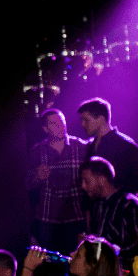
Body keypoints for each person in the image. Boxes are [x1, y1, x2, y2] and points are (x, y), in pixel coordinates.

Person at [26, 108, 88, 256]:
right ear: (45, 128)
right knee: (51, 263)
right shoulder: (37, 151)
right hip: (48, 219)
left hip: (76, 217)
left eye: (61, 121)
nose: (60, 126)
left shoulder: (81, 147)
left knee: (77, 261)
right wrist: (37, 177)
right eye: (54, 123)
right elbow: (27, 184)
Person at [78, 98, 138, 196]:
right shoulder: (90, 146)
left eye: (86, 120)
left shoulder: (126, 145)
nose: (82, 124)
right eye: (82, 120)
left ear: (101, 119)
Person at [80, 157, 138, 256]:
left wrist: (110, 254)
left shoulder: (129, 205)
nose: (82, 186)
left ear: (102, 179)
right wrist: (89, 241)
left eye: (86, 181)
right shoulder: (98, 204)